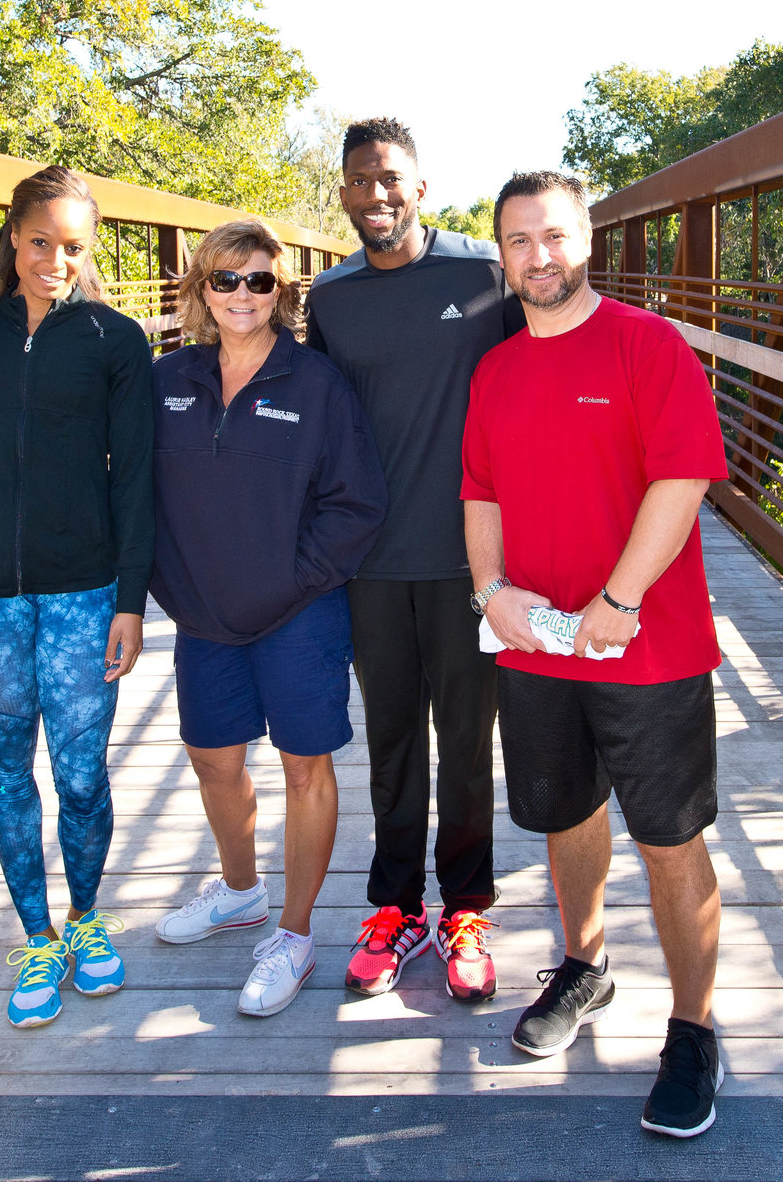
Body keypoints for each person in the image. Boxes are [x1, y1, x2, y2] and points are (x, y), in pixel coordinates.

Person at [462, 170, 729, 1139]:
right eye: (520, 240)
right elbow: (478, 494)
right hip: (535, 646)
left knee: (668, 838)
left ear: (587, 241)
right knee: (564, 816)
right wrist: (491, 591)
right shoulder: (494, 370)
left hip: (647, 647)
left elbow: (686, 473)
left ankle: (695, 1028)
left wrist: (620, 597)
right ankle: (585, 965)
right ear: (501, 255)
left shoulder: (646, 345)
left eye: (556, 235)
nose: (540, 254)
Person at [302, 117, 521, 1001]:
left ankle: (466, 904)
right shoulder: (333, 296)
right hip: (372, 561)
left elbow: (536, 374)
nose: (375, 194)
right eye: (358, 181)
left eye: (389, 178)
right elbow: (319, 419)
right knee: (392, 743)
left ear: (420, 187)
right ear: (345, 193)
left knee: (467, 742)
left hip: (473, 558)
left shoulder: (482, 272)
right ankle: (395, 907)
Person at [148, 219, 387, 1018]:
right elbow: (131, 489)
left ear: (282, 291)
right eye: (225, 279)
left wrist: (294, 582)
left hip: (299, 613)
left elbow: (357, 504)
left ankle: (292, 930)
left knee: (303, 765)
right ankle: (242, 891)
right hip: (203, 615)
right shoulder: (167, 380)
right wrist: (163, 584)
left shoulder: (315, 383)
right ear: (200, 289)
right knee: (214, 758)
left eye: (260, 280)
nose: (242, 294)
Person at [0, 166, 157, 1029]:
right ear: (13, 237)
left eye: (72, 246)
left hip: (84, 591)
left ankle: (86, 918)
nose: (53, 261)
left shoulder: (115, 338)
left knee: (80, 773)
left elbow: (137, 478)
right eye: (38, 241)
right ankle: (36, 934)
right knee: (3, 764)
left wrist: (131, 602)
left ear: (88, 249)